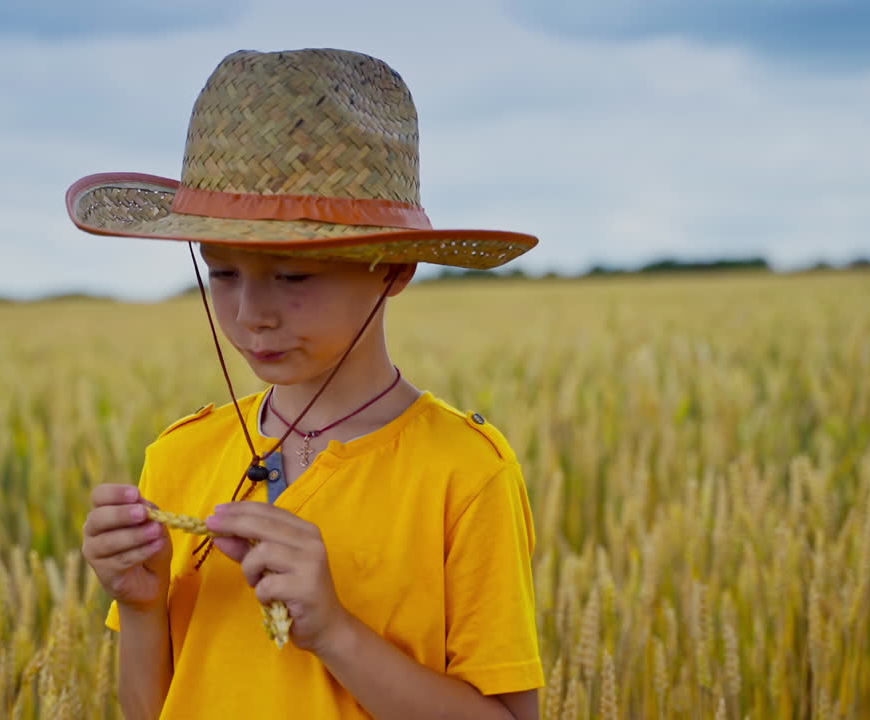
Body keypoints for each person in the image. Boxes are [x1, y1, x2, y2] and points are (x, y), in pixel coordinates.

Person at [74, 48, 543, 720]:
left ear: (393, 268)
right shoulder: (178, 457)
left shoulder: (464, 474)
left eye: (292, 277)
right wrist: (140, 606)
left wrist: (334, 632)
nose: (249, 315)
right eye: (223, 273)